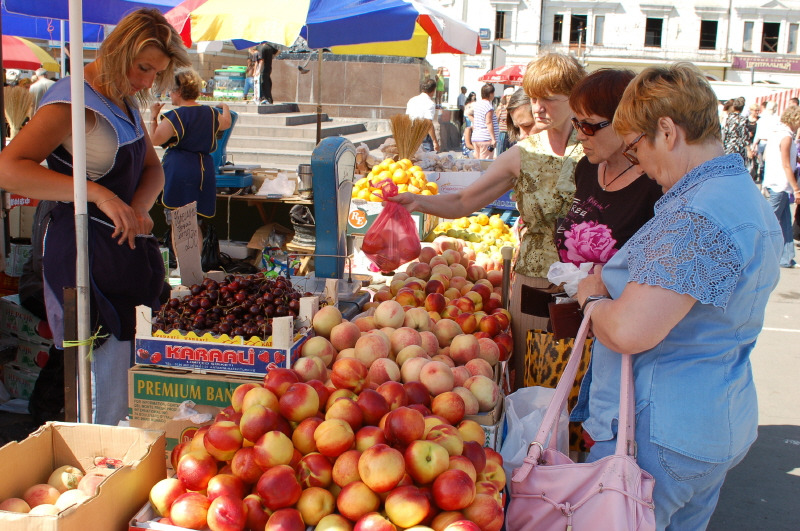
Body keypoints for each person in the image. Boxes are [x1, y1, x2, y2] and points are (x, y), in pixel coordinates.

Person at [573, 62, 782, 530]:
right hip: (713, 418)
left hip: (659, 433)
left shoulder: (697, 214)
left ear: (667, 131)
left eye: (636, 147)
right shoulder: (741, 193)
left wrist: (591, 296)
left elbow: (629, 330)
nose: (640, 165)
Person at [0, 8, 190, 425]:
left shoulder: (123, 99)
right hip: (81, 256)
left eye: (154, 74)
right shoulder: (71, 100)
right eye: (143, 68)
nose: (145, 82)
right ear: (119, 49)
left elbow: (152, 168)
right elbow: (10, 167)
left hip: (126, 254)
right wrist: (98, 194)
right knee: (95, 375)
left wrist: (138, 207)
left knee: (127, 377)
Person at [391, 52, 587, 390]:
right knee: (532, 379)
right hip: (533, 284)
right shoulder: (523, 154)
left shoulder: (595, 151)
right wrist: (418, 201)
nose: (538, 107)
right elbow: (465, 200)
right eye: (534, 97)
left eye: (549, 99)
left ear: (575, 97)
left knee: (578, 382)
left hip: (585, 287)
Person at [149, 68, 231, 223]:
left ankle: (178, 248)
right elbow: (226, 123)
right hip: (202, 172)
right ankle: (196, 249)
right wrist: (225, 107)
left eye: (171, 91)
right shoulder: (211, 113)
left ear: (178, 91)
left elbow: (155, 139)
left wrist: (153, 117)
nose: (169, 94)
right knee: (194, 224)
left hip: (180, 172)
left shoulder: (176, 116)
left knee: (178, 225)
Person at [761, 105, 800, 268]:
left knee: (784, 222)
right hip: (780, 184)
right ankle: (756, 255)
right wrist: (796, 188)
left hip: (775, 182)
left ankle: (787, 257)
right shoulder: (786, 137)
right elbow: (786, 164)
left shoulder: (777, 133)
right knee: (767, 222)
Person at [406, 78, 440, 152]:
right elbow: (428, 123)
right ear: (433, 90)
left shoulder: (412, 100)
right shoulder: (430, 103)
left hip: (410, 132)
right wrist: (435, 141)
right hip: (423, 135)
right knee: (426, 159)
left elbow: (407, 117)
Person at [471, 83, 500, 159]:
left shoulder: (477, 104)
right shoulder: (488, 106)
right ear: (490, 94)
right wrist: (493, 138)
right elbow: (489, 122)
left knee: (477, 163)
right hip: (486, 138)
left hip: (476, 137)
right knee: (484, 164)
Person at [722, 97, 749, 163]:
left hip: (728, 147)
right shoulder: (743, 120)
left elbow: (724, 132)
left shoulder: (727, 118)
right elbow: (744, 136)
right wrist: (748, 149)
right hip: (738, 148)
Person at [495, 87, 514, 155]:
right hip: (503, 131)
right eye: (508, 96)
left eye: (511, 96)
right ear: (505, 97)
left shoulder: (514, 107)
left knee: (512, 153)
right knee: (500, 152)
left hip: (511, 131)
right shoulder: (501, 106)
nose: (509, 98)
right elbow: (496, 118)